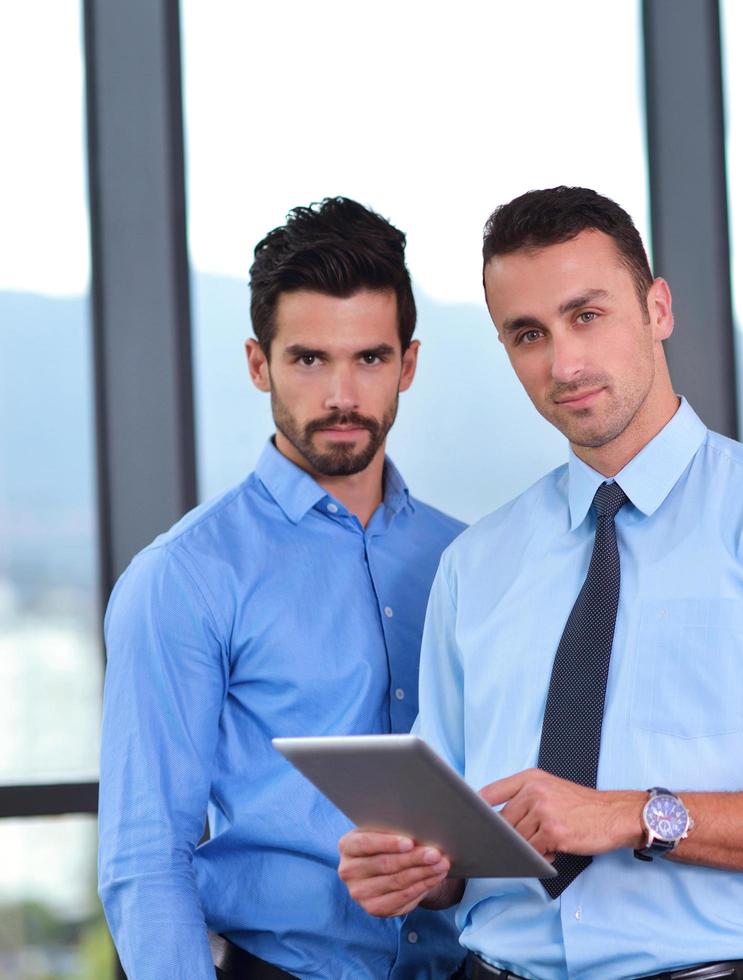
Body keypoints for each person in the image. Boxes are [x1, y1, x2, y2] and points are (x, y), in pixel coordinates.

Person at [335, 186, 743, 980]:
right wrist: (418, 870)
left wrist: (637, 815)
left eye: (588, 315)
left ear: (658, 308)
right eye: (528, 334)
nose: (563, 363)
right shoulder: (477, 564)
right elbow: (459, 837)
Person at [98, 197, 467, 979]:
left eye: (369, 358)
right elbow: (144, 855)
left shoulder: (464, 560)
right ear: (259, 363)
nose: (341, 395)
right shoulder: (185, 577)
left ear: (408, 364)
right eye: (308, 359)